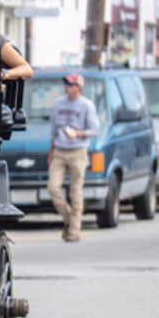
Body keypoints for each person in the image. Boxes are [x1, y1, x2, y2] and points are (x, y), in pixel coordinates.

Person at [47, 72, 99, 242]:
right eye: (67, 85)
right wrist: (51, 151)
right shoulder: (58, 104)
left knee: (75, 190)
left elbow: (94, 129)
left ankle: (74, 230)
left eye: (72, 85)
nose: (68, 88)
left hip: (78, 150)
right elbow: (54, 130)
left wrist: (78, 133)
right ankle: (69, 219)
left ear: (79, 87)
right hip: (60, 150)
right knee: (53, 187)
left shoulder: (86, 105)